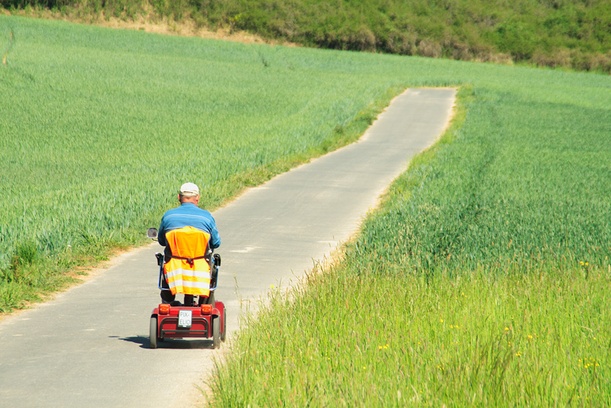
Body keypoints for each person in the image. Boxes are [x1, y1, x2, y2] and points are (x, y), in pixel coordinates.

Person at [158, 182, 221, 304]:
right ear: (197, 197)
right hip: (200, 270)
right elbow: (216, 243)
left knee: (165, 263)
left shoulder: (168, 216)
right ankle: (205, 304)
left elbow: (161, 241)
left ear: (179, 197)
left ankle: (167, 301)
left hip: (174, 270)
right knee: (212, 269)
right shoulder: (206, 217)